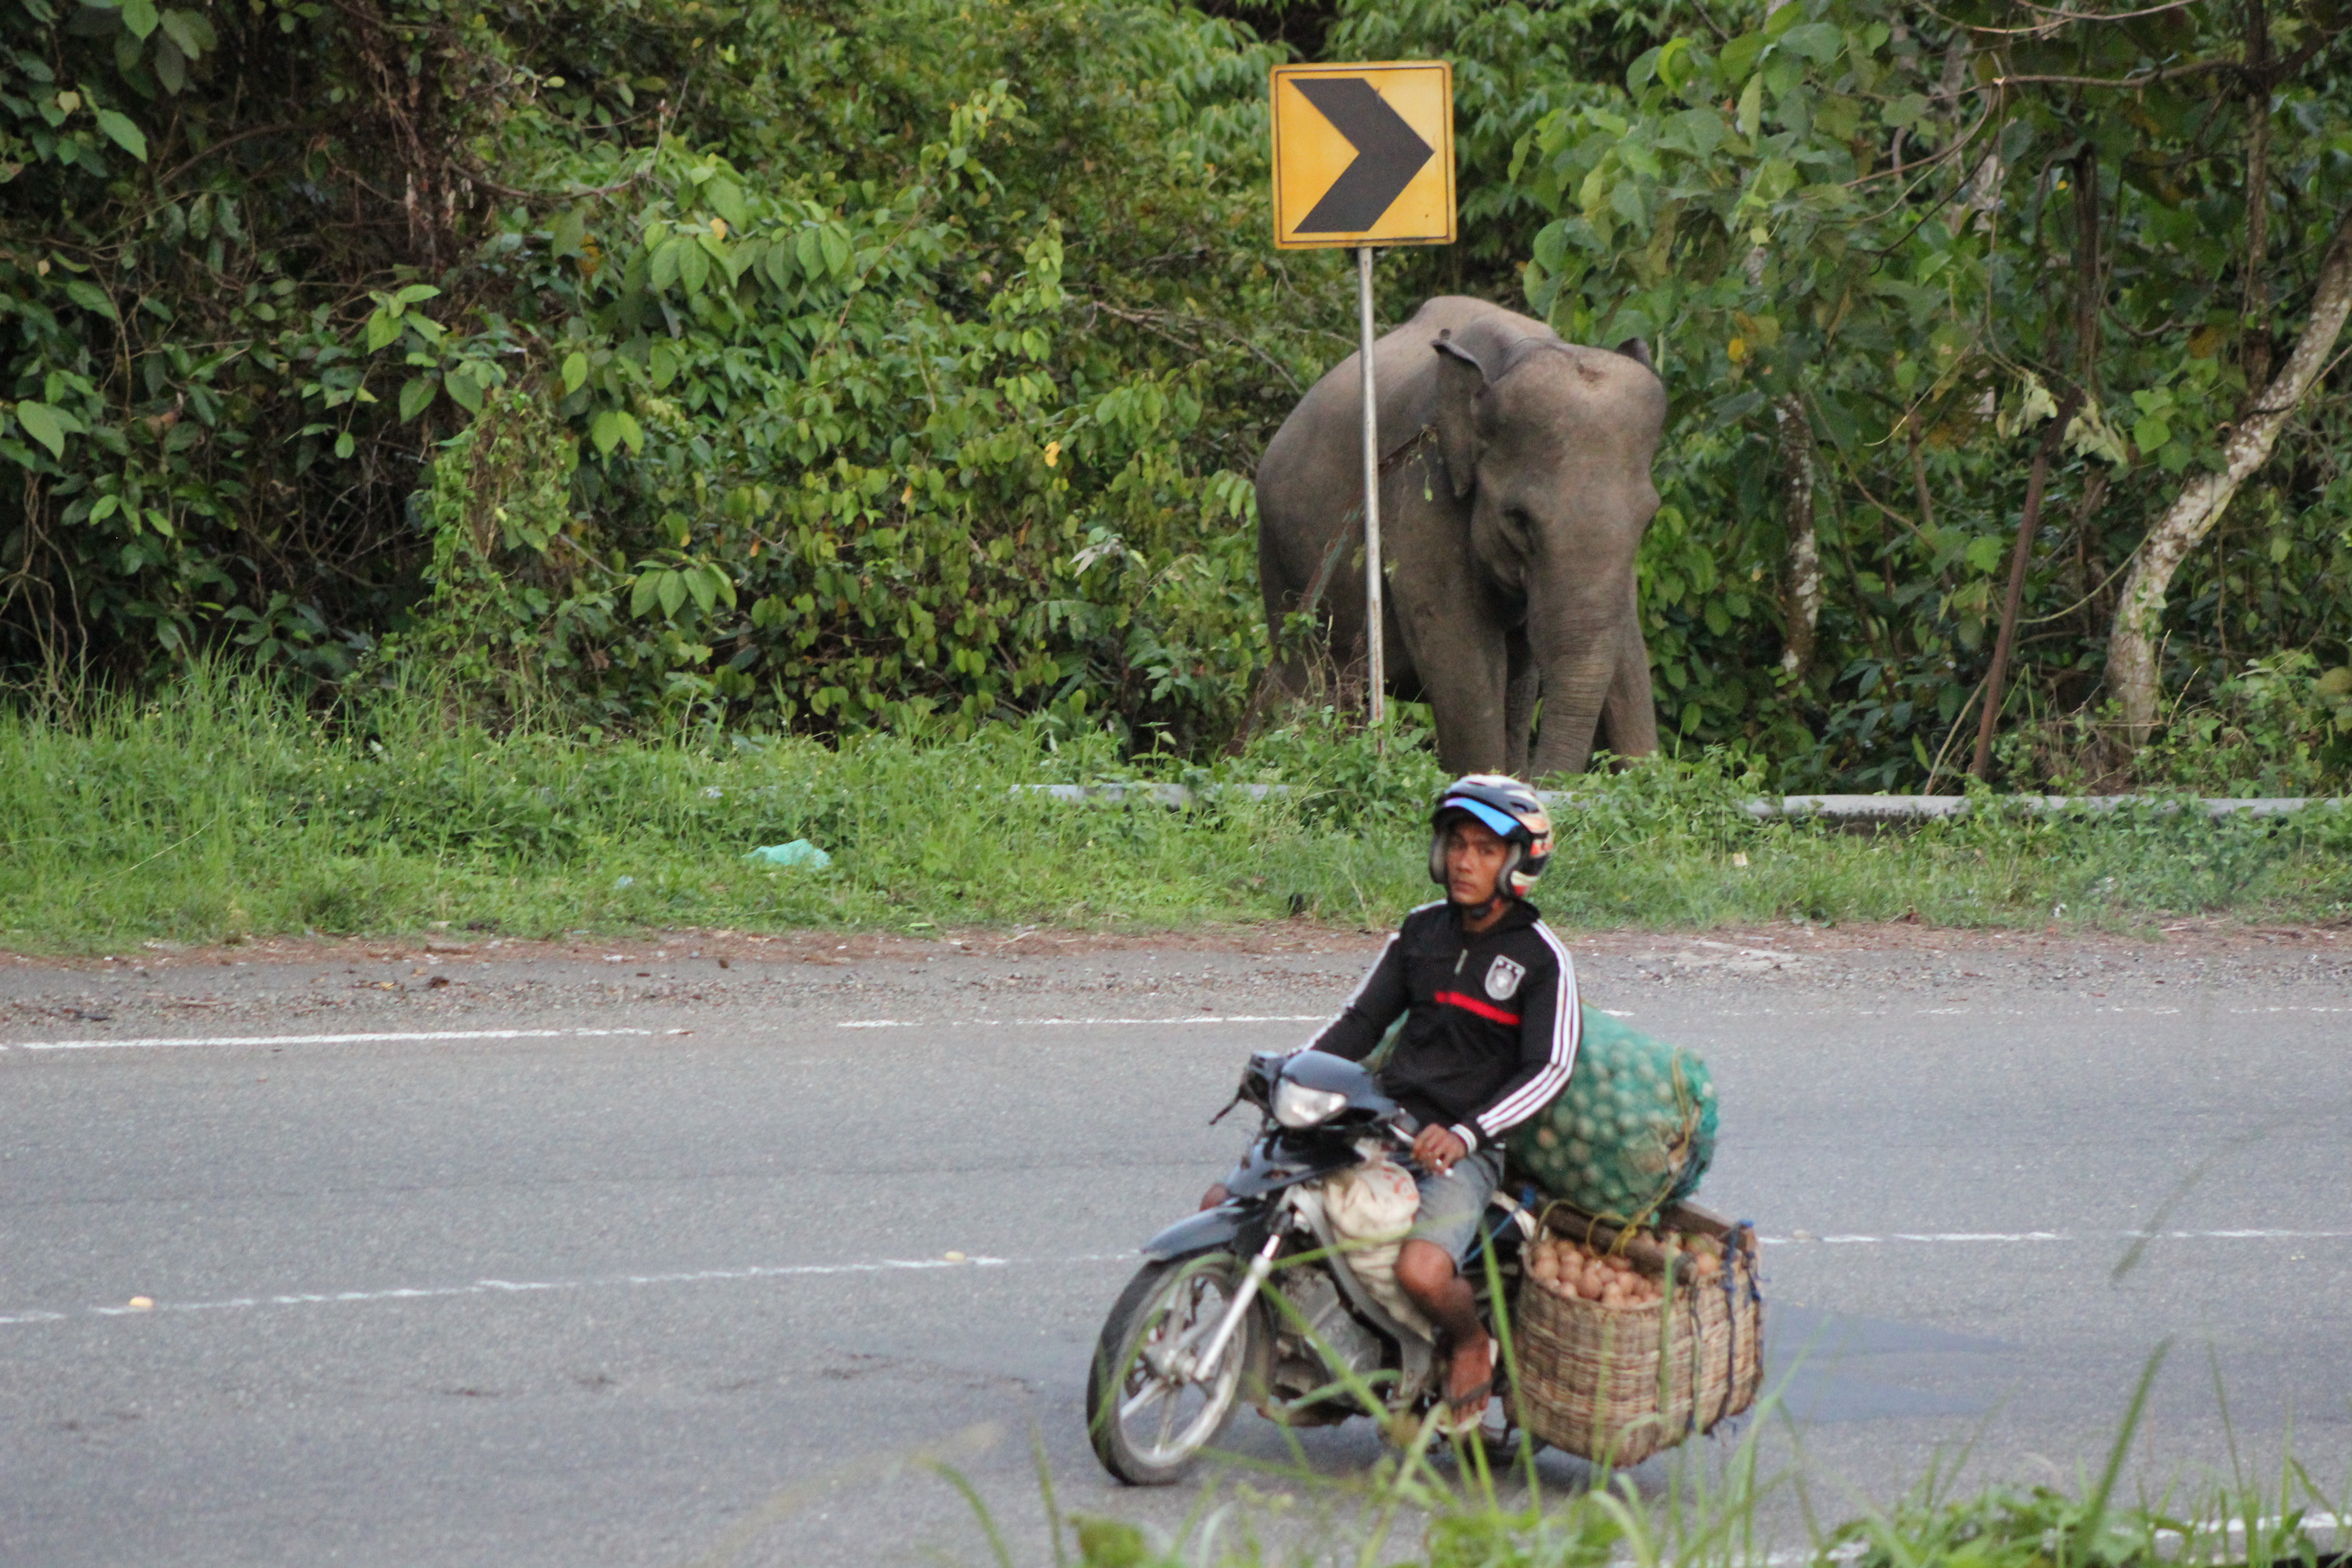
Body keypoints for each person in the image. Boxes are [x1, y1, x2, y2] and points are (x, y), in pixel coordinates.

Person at [1296, 774, 1580, 1433]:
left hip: (1466, 1149)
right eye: (1457, 845)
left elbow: (1550, 1068)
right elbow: (1360, 1024)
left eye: (1485, 849)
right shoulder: (1421, 932)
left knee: (1423, 1272)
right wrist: (1296, 1074)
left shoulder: (1541, 960)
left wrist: (1469, 1133)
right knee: (1253, 1203)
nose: (1464, 862)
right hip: (1385, 1120)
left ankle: (1471, 1341)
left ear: (1518, 864)